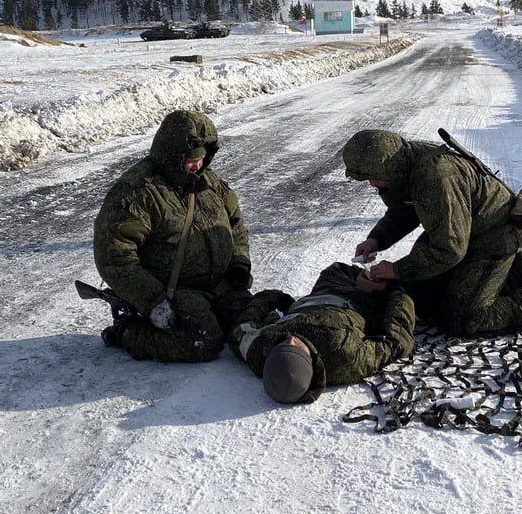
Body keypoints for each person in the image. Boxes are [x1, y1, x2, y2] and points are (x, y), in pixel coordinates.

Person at [341, 129, 522, 338]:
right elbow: (406, 210)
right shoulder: (406, 163)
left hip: (494, 237)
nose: (371, 183)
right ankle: (517, 272)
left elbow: (450, 249)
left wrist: (397, 269)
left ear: (386, 168)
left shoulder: (436, 177)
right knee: (423, 294)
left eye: (371, 177)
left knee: (463, 319)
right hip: (463, 230)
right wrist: (376, 240)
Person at [93, 110, 252, 362]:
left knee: (252, 321)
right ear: (171, 154)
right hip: (172, 290)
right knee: (203, 340)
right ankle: (127, 331)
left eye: (203, 157)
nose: (198, 165)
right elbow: (113, 255)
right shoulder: (139, 192)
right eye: (191, 158)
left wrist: (239, 262)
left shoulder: (209, 182)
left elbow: (236, 224)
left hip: (217, 283)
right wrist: (152, 299)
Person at [229, 262, 416, 404]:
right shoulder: (344, 354)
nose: (290, 339)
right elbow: (397, 342)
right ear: (307, 364)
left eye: (282, 345)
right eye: (294, 349)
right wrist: (397, 292)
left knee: (335, 268)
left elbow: (242, 326)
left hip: (322, 290)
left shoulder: (259, 349)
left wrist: (277, 299)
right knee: (409, 279)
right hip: (362, 301)